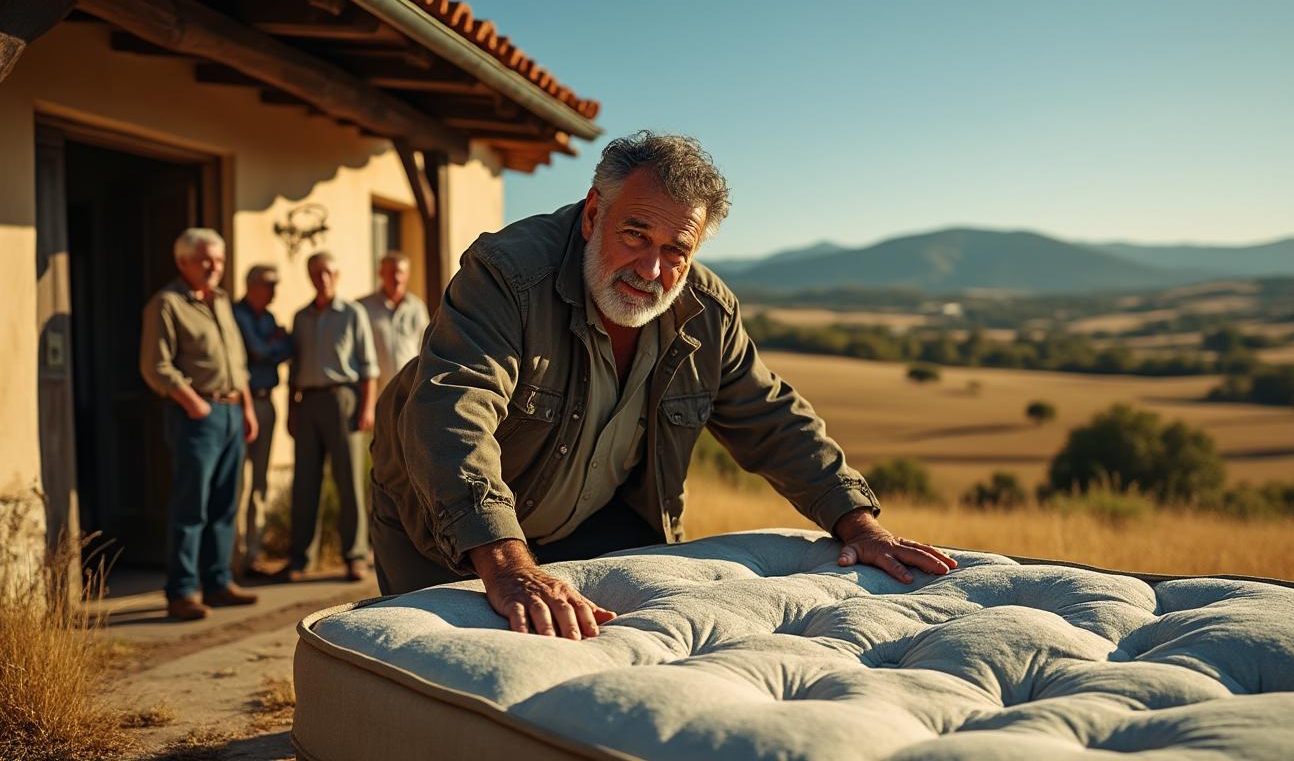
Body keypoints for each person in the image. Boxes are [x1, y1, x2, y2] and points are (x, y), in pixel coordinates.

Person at [369, 131, 957, 639]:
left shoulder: (705, 311)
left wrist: (859, 523)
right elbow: (453, 410)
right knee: (440, 674)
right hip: (448, 519)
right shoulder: (506, 274)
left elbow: (774, 421)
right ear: (593, 214)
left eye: (676, 250)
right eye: (635, 234)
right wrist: (507, 564)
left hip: (593, 523)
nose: (651, 270)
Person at [140, 228, 260, 620]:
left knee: (226, 503)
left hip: (231, 413)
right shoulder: (167, 304)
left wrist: (246, 409)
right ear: (183, 261)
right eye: (206, 259)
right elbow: (156, 366)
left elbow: (237, 362)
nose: (214, 267)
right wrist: (194, 404)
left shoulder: (222, 301)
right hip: (197, 415)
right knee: (191, 505)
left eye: (219, 260)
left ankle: (218, 583)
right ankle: (182, 592)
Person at [286, 251, 379, 582]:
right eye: (315, 273)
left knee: (349, 482)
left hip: (344, 401)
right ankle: (301, 559)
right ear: (310, 277)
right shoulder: (300, 317)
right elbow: (294, 370)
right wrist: (291, 410)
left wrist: (367, 408)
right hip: (307, 402)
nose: (322, 278)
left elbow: (368, 367)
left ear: (336, 276)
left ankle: (355, 556)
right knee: (304, 482)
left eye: (327, 272)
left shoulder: (352, 313)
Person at [233, 264, 293, 576]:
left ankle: (252, 555)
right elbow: (258, 351)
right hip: (240, 406)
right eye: (269, 285)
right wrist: (273, 343)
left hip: (267, 402)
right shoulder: (237, 314)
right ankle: (231, 555)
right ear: (253, 285)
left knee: (259, 483)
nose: (274, 291)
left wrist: (273, 344)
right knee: (235, 483)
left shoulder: (267, 318)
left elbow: (288, 349)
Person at [359, 251, 430, 397]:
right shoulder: (363, 308)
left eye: (401, 272)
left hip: (409, 392)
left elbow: (425, 348)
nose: (397, 278)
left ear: (408, 274)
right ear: (381, 274)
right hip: (377, 395)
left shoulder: (417, 307)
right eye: (392, 272)